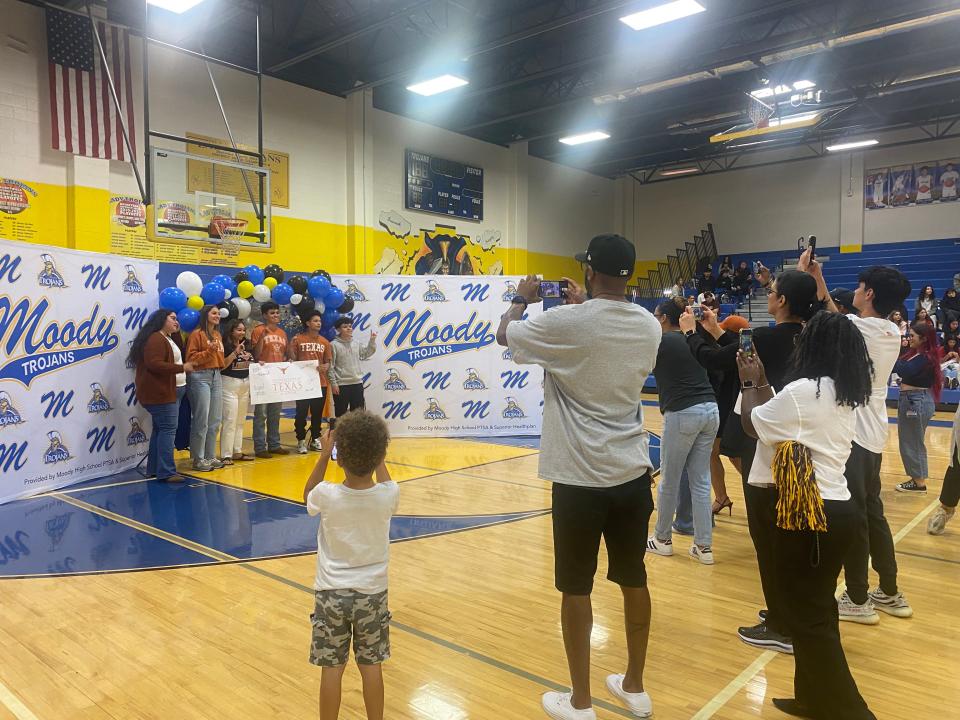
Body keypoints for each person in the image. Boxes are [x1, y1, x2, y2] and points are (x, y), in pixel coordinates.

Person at [497, 234, 661, 720]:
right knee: (634, 578)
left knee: (576, 587)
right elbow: (600, 339)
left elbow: (507, 334)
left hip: (578, 477)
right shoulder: (650, 324)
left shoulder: (564, 322)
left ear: (589, 271)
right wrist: (578, 308)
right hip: (632, 472)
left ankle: (582, 700)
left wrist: (520, 299)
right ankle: (634, 686)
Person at [738, 311, 876, 720]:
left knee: (808, 619)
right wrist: (762, 380)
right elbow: (777, 421)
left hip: (809, 515)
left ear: (812, 345)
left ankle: (853, 711)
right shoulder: (841, 390)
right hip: (836, 511)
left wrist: (748, 382)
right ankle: (812, 698)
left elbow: (751, 424)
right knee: (816, 612)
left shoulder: (803, 391)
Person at [680, 267, 822, 654]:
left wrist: (693, 332)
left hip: (766, 441)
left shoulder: (763, 338)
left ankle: (780, 624)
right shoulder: (815, 335)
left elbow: (715, 360)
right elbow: (739, 348)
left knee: (767, 538)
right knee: (791, 537)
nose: (769, 293)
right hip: (806, 447)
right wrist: (716, 330)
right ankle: (786, 612)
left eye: (773, 290)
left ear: (782, 301)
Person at [801, 258, 915, 624]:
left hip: (856, 435)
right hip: (875, 432)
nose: (856, 290)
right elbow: (836, 311)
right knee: (873, 513)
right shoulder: (890, 330)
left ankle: (858, 597)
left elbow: (828, 313)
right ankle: (890, 590)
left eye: (861, 286)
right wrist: (817, 275)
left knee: (856, 518)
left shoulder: (860, 328)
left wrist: (812, 275)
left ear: (869, 293)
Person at [303, 411, 397, 720]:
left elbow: (307, 495)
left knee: (333, 668)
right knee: (371, 667)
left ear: (338, 457)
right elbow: (385, 479)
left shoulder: (327, 495)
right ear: (380, 453)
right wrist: (376, 454)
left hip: (331, 594)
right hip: (372, 594)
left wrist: (322, 457)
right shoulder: (388, 495)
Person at [647, 300, 720, 564]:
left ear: (664, 318)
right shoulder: (693, 338)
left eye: (655, 316)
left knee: (670, 478)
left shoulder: (661, 342)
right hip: (711, 410)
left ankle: (662, 538)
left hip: (683, 412)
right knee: (700, 482)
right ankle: (704, 547)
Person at [129, 310, 194, 483]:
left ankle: (154, 468)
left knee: (160, 430)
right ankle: (166, 471)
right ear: (161, 320)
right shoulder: (156, 338)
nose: (176, 321)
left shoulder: (166, 338)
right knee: (167, 431)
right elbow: (155, 364)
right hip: (160, 393)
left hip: (169, 392)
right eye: (173, 318)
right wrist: (182, 368)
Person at [894, 321, 942, 493]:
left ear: (923, 339)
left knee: (911, 441)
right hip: (913, 399)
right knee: (912, 440)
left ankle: (918, 482)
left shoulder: (925, 357)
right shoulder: (916, 355)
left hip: (915, 401)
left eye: (912, 335)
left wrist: (892, 349)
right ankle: (918, 479)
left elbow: (903, 370)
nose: (909, 338)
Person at [186, 305, 226, 472]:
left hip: (216, 375)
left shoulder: (217, 335)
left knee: (215, 419)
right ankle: (198, 458)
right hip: (200, 376)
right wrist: (208, 352)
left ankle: (210, 456)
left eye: (218, 314)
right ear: (205, 315)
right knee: (201, 419)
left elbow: (219, 358)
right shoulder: (197, 334)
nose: (217, 316)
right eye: (214, 313)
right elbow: (191, 358)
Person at [290, 310, 333, 454]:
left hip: (320, 382)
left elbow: (328, 363)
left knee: (317, 413)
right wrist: (291, 347)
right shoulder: (298, 339)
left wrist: (325, 367)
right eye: (315, 320)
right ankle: (301, 440)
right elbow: (292, 359)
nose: (318, 323)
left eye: (319, 321)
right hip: (302, 382)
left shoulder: (325, 342)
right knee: (301, 413)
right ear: (308, 323)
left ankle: (315, 438)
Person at [251, 301, 290, 458]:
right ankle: (260, 447)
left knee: (275, 413)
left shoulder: (282, 333)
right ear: (265, 315)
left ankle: (274, 444)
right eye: (272, 313)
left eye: (277, 312)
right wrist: (262, 336)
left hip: (277, 377)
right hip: (262, 376)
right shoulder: (258, 330)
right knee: (261, 414)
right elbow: (255, 353)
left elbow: (286, 353)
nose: (275, 315)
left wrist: (290, 361)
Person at [329, 317, 377, 427]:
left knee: (358, 415)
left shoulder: (356, 343)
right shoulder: (333, 345)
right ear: (338, 329)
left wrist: (372, 341)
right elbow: (330, 367)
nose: (349, 328)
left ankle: (357, 439)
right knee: (341, 415)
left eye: (350, 326)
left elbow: (365, 354)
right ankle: (340, 439)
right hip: (341, 385)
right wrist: (334, 384)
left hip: (357, 384)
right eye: (345, 327)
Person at [220, 319, 255, 464]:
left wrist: (258, 364)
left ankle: (237, 451)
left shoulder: (247, 345)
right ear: (231, 331)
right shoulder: (225, 345)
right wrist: (235, 352)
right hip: (229, 383)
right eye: (238, 330)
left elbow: (251, 362)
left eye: (243, 330)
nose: (241, 332)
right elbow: (221, 365)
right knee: (230, 420)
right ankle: (226, 454)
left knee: (240, 420)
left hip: (245, 384)